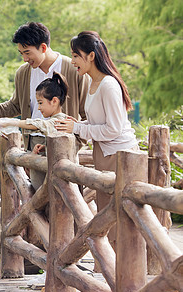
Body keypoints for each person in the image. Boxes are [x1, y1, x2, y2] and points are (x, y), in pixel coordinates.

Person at [55, 31, 138, 248]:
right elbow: (98, 124)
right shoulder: (93, 84)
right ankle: (106, 267)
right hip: (105, 155)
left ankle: (120, 270)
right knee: (107, 214)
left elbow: (113, 129)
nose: (72, 62)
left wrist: (79, 128)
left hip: (119, 156)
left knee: (118, 217)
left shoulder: (109, 85)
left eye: (75, 56)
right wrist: (78, 125)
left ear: (90, 56)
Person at [0, 21, 89, 151]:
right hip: (32, 144)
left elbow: (87, 114)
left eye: (27, 53)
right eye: (21, 53)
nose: (25, 58)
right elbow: (15, 106)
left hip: (64, 143)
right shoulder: (23, 73)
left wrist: (75, 144)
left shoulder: (74, 69)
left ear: (43, 48)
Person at [0, 72, 76, 189]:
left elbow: (41, 125)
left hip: (63, 186)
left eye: (41, 103)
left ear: (54, 101)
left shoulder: (61, 121)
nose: (38, 107)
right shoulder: (57, 120)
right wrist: (46, 148)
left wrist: (10, 122)